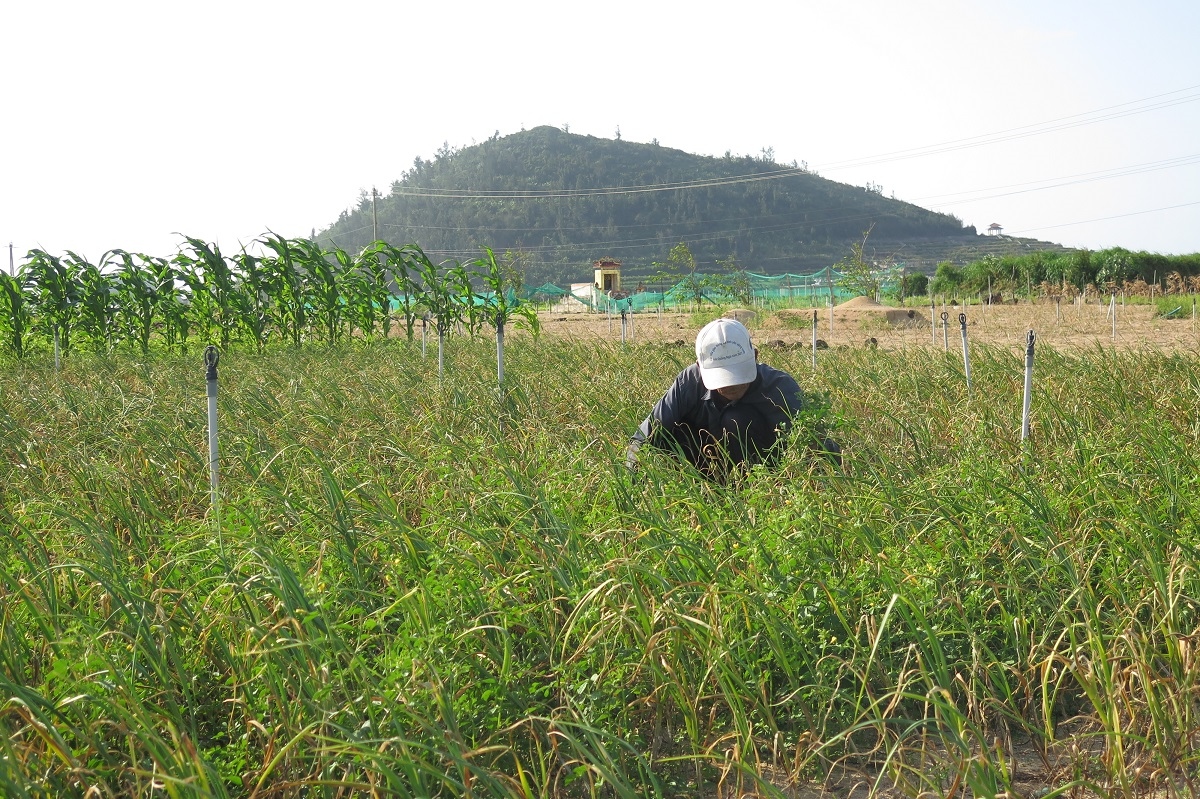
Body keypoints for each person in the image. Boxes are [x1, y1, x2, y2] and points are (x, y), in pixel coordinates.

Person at [626, 317, 837, 480]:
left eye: (737, 375)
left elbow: (818, 445)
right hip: (699, 473)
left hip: (761, 476)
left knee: (738, 418)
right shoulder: (688, 382)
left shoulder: (779, 388)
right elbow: (642, 439)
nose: (731, 386)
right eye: (722, 378)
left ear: (755, 356)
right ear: (700, 368)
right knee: (666, 434)